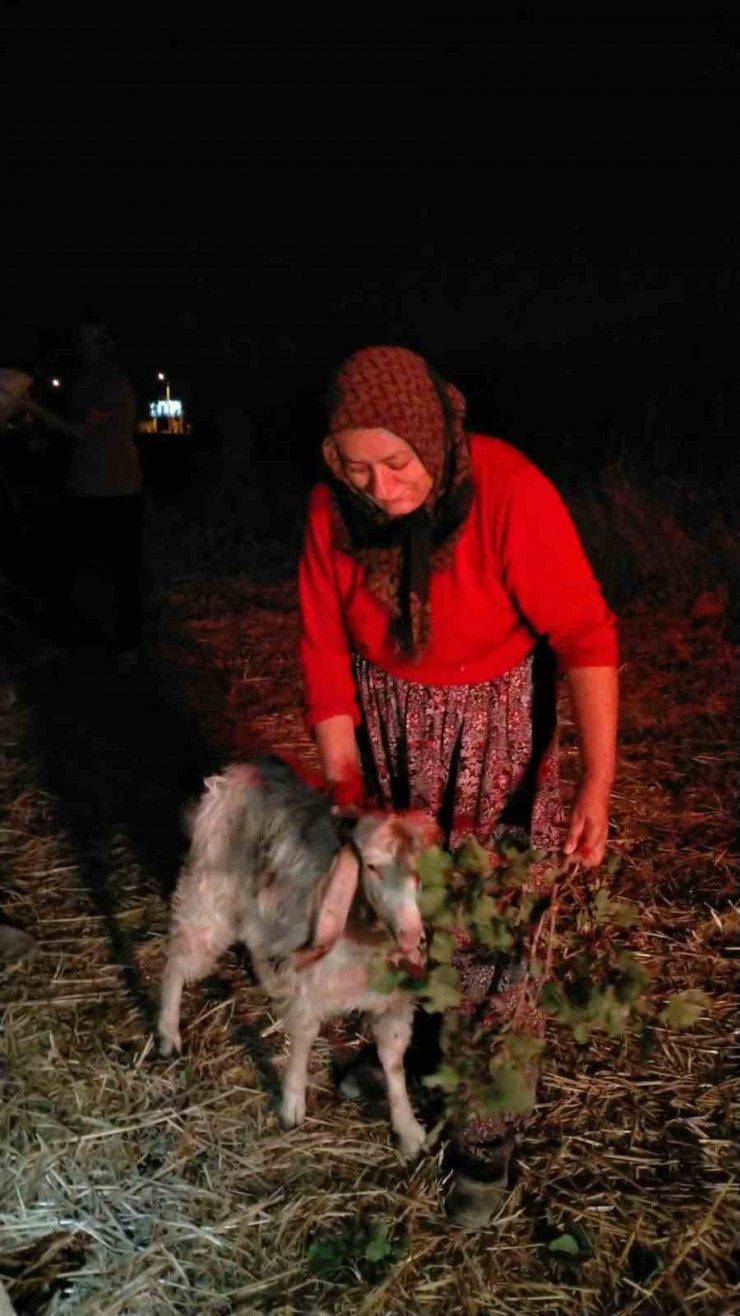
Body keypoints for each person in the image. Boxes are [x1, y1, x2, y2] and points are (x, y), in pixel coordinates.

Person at [298, 345, 619, 1227]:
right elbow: (324, 653)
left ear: (437, 440)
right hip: (388, 726)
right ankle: (418, 1043)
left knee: (494, 927)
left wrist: (598, 777)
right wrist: (346, 785)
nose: (384, 488)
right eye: (358, 467)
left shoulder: (509, 489)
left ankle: (486, 1129)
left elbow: (585, 635)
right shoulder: (334, 512)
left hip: (494, 731)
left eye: (398, 464)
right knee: (400, 903)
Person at [20, 322, 144, 667]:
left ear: (105, 345)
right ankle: (67, 639)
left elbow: (79, 430)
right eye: (81, 341)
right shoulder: (81, 382)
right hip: (84, 486)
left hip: (117, 488)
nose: (83, 348)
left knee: (122, 571)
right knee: (68, 567)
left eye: (90, 342)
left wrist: (28, 406)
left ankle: (127, 644)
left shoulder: (113, 383)